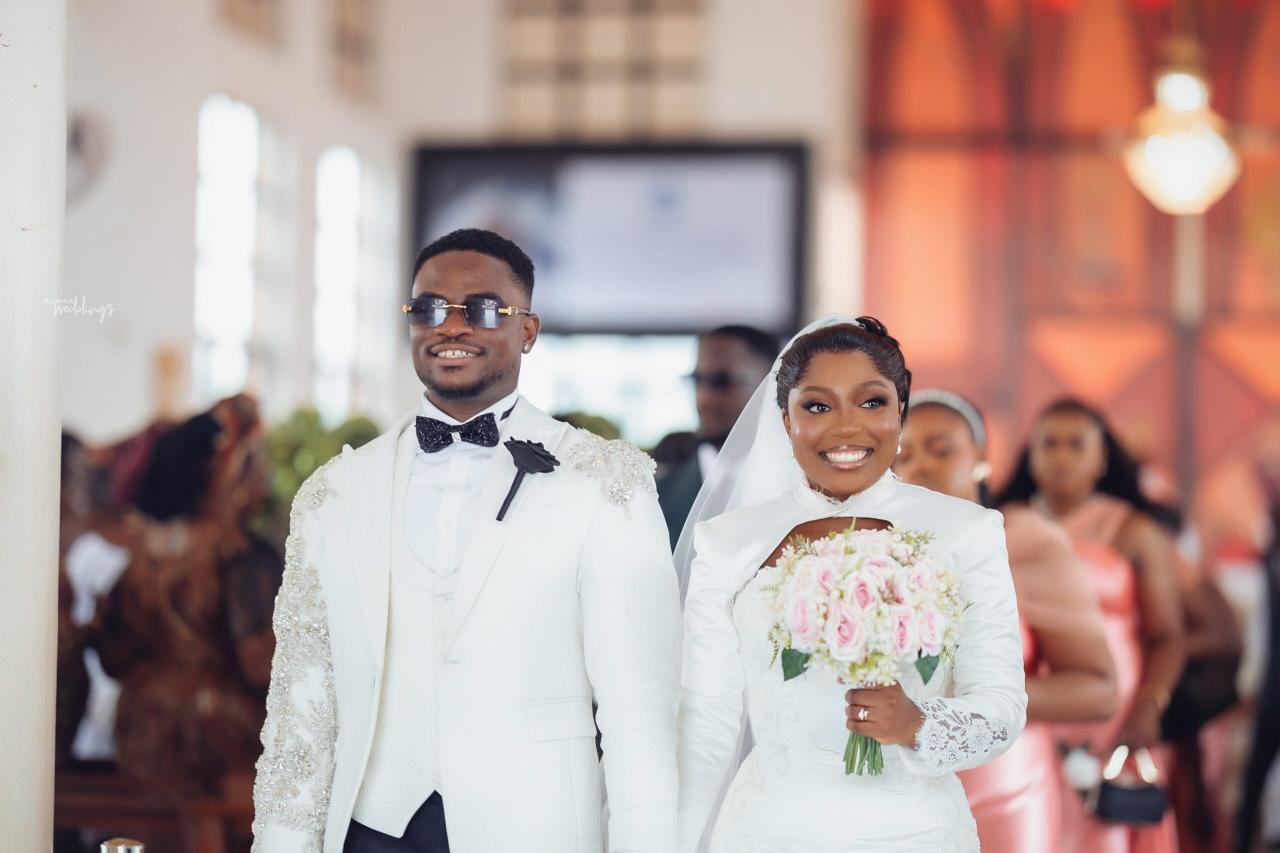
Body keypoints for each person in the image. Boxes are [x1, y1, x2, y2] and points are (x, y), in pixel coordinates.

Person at [251, 228, 681, 853]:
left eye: (480, 309)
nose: (450, 326)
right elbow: (302, 702)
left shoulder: (605, 482)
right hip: (373, 828)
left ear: (527, 330)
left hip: (536, 830)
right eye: (428, 308)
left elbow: (639, 710)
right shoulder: (336, 492)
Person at [676, 317, 1027, 852]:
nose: (846, 427)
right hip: (770, 831)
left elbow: (1002, 709)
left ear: (900, 412)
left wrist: (917, 723)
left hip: (917, 833)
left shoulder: (968, 531)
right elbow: (707, 725)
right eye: (818, 406)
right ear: (786, 420)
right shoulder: (726, 542)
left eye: (871, 402)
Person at [896, 390, 1117, 851]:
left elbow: (1098, 691)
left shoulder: (1025, 543)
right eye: (904, 455)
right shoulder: (875, 549)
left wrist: (967, 697)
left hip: (1001, 787)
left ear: (980, 458)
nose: (921, 467)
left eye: (941, 450)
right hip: (901, 786)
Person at [995, 398, 1186, 853]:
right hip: (1036, 700)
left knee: (1102, 830)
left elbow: (1166, 636)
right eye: (1049, 445)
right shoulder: (1003, 525)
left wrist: (1149, 706)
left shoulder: (1134, 530)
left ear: (1101, 458)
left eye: (1076, 445)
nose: (1061, 457)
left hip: (1113, 707)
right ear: (1031, 455)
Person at [92, 394, 281, 796]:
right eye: (256, 462)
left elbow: (112, 656)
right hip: (220, 743)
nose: (265, 478)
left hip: (142, 738)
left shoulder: (139, 558)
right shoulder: (239, 557)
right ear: (229, 474)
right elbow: (260, 665)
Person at [657, 325, 778, 546]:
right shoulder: (655, 495)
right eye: (697, 381)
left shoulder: (807, 487)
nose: (703, 399)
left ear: (772, 385)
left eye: (722, 382)